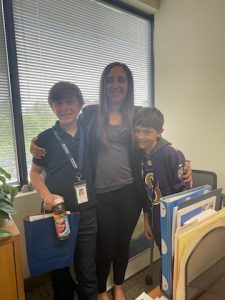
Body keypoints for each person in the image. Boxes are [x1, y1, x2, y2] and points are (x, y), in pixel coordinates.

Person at [30, 62, 192, 300]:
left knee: (122, 243)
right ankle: (100, 290)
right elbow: (63, 128)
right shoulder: (90, 115)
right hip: (100, 193)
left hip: (131, 192)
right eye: (111, 80)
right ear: (104, 84)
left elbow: (156, 138)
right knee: (104, 246)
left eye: (121, 80)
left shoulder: (136, 113)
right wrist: (35, 141)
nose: (116, 85)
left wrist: (184, 161)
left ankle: (118, 285)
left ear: (128, 85)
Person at [30, 81, 98, 300]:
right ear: (52, 106)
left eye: (70, 101)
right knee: (59, 272)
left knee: (87, 270)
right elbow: (35, 173)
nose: (64, 107)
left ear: (79, 105)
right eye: (58, 103)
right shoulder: (44, 138)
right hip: (57, 213)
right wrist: (46, 195)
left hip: (87, 212)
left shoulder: (91, 133)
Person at [133, 106, 188, 251]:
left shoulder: (169, 155)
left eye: (147, 132)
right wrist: (147, 220)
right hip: (155, 216)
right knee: (163, 252)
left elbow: (182, 191)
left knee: (176, 255)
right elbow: (146, 194)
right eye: (137, 131)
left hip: (173, 217)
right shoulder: (139, 156)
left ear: (160, 133)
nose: (140, 136)